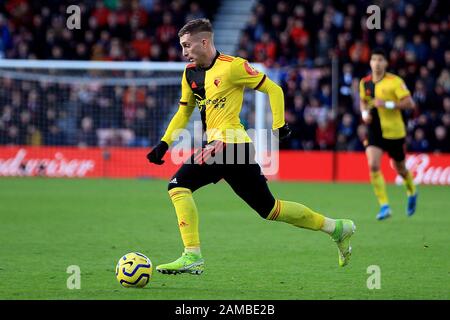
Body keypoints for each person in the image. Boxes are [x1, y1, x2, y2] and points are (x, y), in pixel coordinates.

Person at [147, 19, 355, 275]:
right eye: (182, 46)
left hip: (230, 145)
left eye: (187, 45)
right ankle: (336, 228)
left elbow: (273, 88)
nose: (184, 52)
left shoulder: (232, 67)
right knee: (270, 209)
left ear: (204, 42)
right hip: (230, 149)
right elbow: (183, 111)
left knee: (178, 186)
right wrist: (164, 142)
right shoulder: (190, 73)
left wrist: (279, 125)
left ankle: (192, 255)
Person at [359, 48, 418, 220]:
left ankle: (412, 190)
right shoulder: (365, 82)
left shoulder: (395, 81)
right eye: (374, 59)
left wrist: (387, 104)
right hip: (375, 129)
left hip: (394, 131)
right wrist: (364, 114)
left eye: (380, 60)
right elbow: (363, 102)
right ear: (370, 62)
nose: (377, 63)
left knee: (400, 168)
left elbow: (410, 103)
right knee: (373, 165)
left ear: (386, 63)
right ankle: (384, 206)